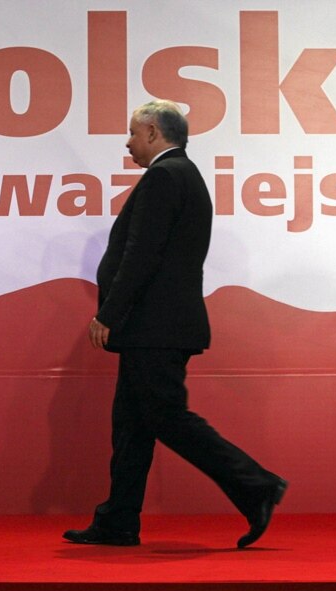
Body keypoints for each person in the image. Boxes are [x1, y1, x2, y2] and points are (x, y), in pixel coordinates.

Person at [63, 99, 287, 549]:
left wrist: (109, 314)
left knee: (166, 417)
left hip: (154, 328)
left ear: (152, 132)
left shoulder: (164, 177)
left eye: (132, 132)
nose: (127, 143)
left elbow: (141, 254)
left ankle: (255, 485)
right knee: (131, 426)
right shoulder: (182, 175)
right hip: (155, 328)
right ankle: (118, 521)